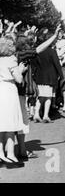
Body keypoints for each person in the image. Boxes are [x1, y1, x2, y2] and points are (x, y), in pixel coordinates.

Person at [0, 37, 26, 168]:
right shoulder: (11, 60)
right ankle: (10, 154)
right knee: (10, 124)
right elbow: (19, 79)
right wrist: (20, 70)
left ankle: (0, 154)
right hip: (8, 90)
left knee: (1, 124)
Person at [32, 32, 64, 123]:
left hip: (39, 76)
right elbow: (57, 64)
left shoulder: (38, 51)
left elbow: (34, 64)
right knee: (48, 97)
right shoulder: (52, 51)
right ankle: (46, 115)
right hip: (50, 77)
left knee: (40, 97)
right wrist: (61, 76)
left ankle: (36, 114)